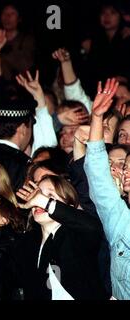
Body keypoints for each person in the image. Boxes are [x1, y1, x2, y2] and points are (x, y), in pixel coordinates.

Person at [16, 175, 108, 300]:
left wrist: (45, 202)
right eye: (37, 196)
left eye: (50, 196)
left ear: (68, 208)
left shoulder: (77, 235)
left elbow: (93, 227)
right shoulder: (28, 243)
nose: (38, 200)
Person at [84, 77, 130, 299]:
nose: (126, 171)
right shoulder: (119, 217)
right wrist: (96, 118)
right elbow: (97, 171)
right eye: (126, 166)